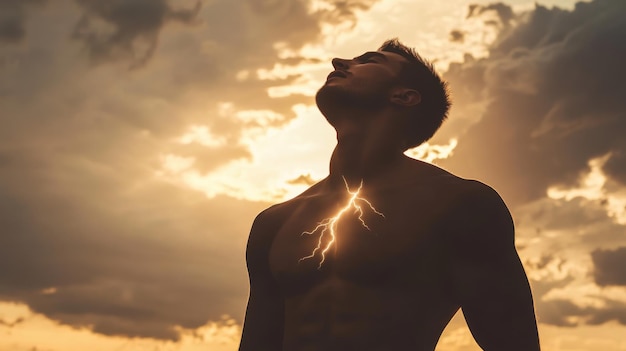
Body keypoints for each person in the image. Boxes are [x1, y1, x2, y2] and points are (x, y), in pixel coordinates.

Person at [239, 38, 540, 351]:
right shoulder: (274, 223)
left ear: (404, 96)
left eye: (368, 60)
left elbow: (513, 342)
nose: (338, 61)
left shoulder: (460, 205)